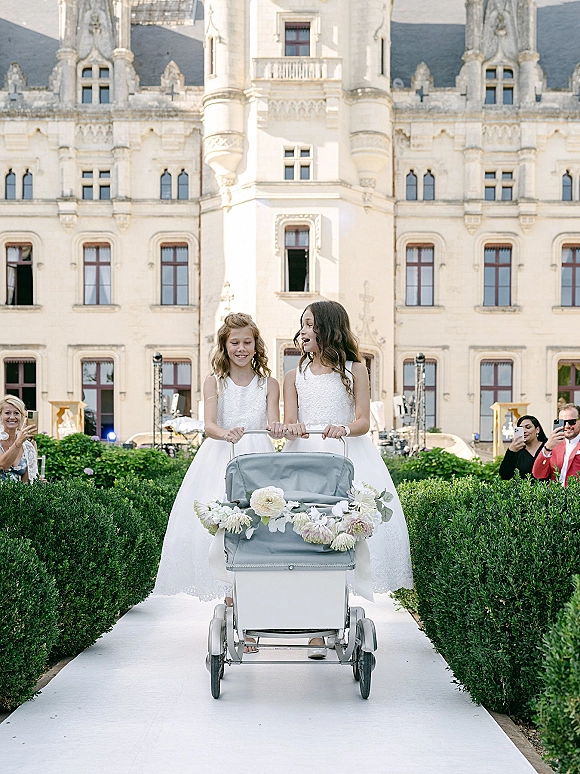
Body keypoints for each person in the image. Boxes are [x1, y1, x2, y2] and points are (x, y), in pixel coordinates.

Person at [278, 301, 414, 657]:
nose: (304, 330)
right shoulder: (294, 375)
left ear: (328, 328)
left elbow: (364, 420)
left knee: (340, 539)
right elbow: (292, 423)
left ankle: (330, 620)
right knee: (306, 540)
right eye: (302, 324)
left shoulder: (355, 369)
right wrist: (290, 428)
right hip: (304, 462)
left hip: (345, 456)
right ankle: (313, 624)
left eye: (311, 324)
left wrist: (343, 429)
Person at [154, 313, 283, 604]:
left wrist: (277, 428)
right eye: (234, 342)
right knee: (225, 526)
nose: (241, 348)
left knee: (261, 525)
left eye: (247, 342)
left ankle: (256, 595)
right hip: (223, 454)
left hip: (259, 457)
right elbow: (209, 425)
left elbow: (273, 424)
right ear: (224, 347)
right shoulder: (215, 382)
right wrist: (225, 434)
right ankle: (231, 596)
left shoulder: (269, 384)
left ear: (256, 345)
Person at [532, 403, 580, 485]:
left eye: (572, 422)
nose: (567, 426)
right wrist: (547, 448)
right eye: (563, 422)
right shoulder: (555, 444)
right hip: (556, 496)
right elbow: (538, 474)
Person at [0, 395, 38, 483]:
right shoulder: (20, 440)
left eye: (16, 413)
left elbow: (26, 480)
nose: (12, 417)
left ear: (22, 416)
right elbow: (3, 465)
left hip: (18, 495)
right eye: (7, 413)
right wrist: (19, 441)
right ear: (0, 415)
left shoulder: (29, 444)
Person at [499, 415, 547, 480]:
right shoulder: (517, 451)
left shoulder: (547, 447)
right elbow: (505, 475)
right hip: (524, 489)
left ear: (537, 430)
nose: (524, 431)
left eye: (528, 427)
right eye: (521, 429)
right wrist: (510, 451)